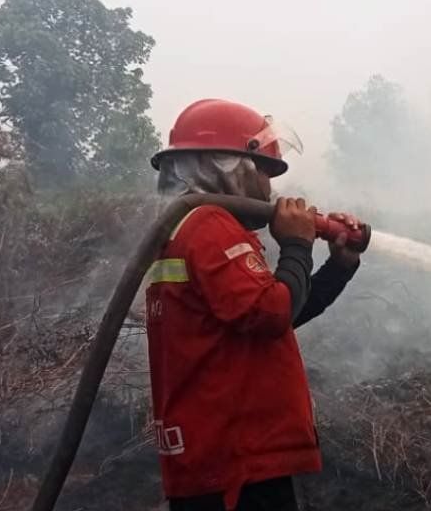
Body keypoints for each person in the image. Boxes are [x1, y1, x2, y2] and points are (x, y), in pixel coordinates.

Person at [146, 98, 365, 511]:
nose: (269, 188)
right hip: (235, 463)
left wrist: (339, 266)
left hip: (226, 459)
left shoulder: (189, 228)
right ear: (230, 167)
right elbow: (271, 313)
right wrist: (297, 244)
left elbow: (278, 315)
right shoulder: (209, 225)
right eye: (264, 171)